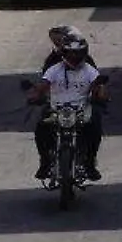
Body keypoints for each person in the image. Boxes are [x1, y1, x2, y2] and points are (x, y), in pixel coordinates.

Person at [29, 37, 106, 181]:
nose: (74, 57)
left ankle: (90, 163)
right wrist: (36, 95)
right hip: (56, 110)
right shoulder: (54, 70)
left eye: (78, 53)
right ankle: (45, 162)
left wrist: (100, 96)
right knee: (41, 128)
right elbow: (43, 85)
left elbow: (99, 86)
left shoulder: (90, 71)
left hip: (82, 110)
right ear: (64, 53)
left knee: (95, 126)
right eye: (71, 53)